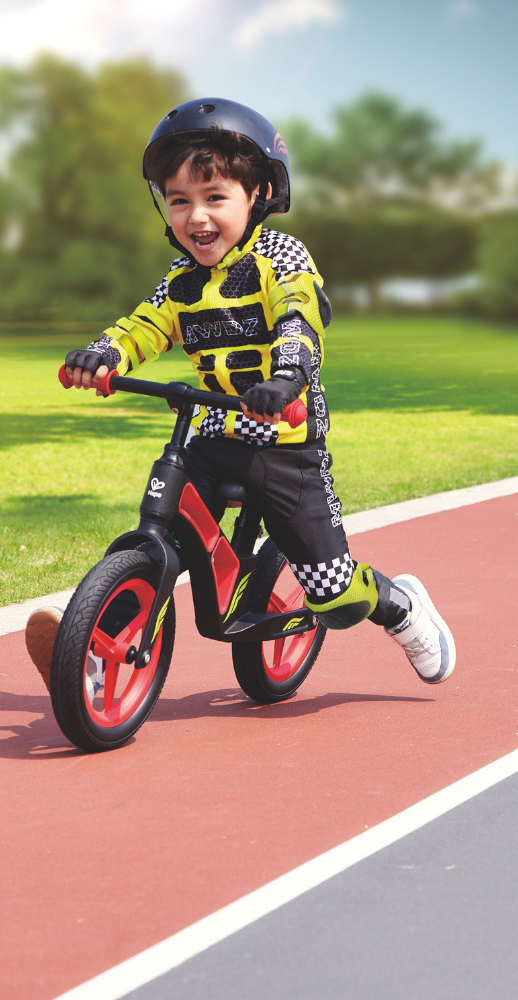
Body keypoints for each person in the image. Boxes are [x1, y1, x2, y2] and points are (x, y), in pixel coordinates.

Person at [25, 97, 455, 693]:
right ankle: (93, 651)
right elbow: (146, 324)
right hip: (216, 435)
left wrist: (286, 379)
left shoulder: (279, 257)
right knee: (163, 527)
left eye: (214, 198)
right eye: (180, 201)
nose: (196, 217)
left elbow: (299, 319)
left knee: (331, 591)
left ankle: (399, 606)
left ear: (256, 198)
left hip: (286, 442)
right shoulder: (182, 281)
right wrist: (104, 355)